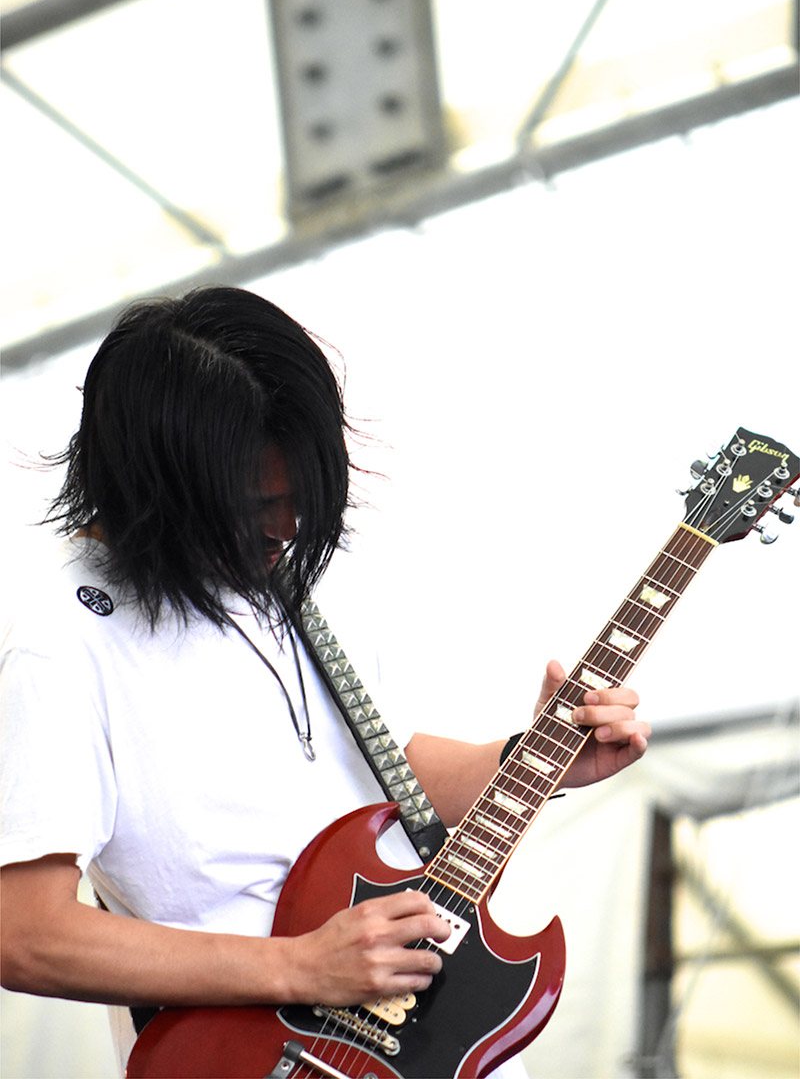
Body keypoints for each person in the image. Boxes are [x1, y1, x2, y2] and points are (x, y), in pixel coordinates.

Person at [0, 286, 650, 1076]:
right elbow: (23, 934)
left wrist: (537, 756)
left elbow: (376, 775)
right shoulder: (57, 635)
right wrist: (302, 966)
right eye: (256, 506)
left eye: (299, 499)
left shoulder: (292, 577)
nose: (287, 529)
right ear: (160, 486)